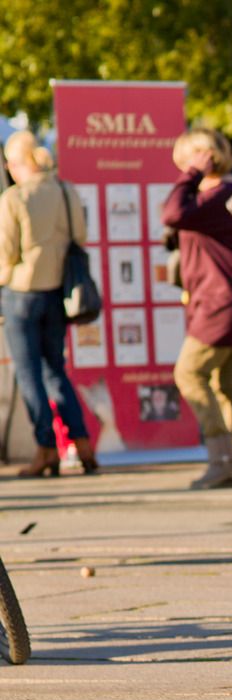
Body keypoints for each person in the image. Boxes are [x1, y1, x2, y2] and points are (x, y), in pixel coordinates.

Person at [164, 128, 232, 490]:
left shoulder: (221, 196)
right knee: (230, 379)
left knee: (189, 373)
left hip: (222, 299)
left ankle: (223, 460)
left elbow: (174, 212)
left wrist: (192, 174)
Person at [0, 132, 95, 478]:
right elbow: (80, 236)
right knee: (55, 369)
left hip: (22, 291)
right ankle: (83, 444)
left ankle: (45, 448)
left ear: (18, 163)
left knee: (29, 374)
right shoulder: (66, 191)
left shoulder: (15, 197)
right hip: (59, 291)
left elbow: (5, 253)